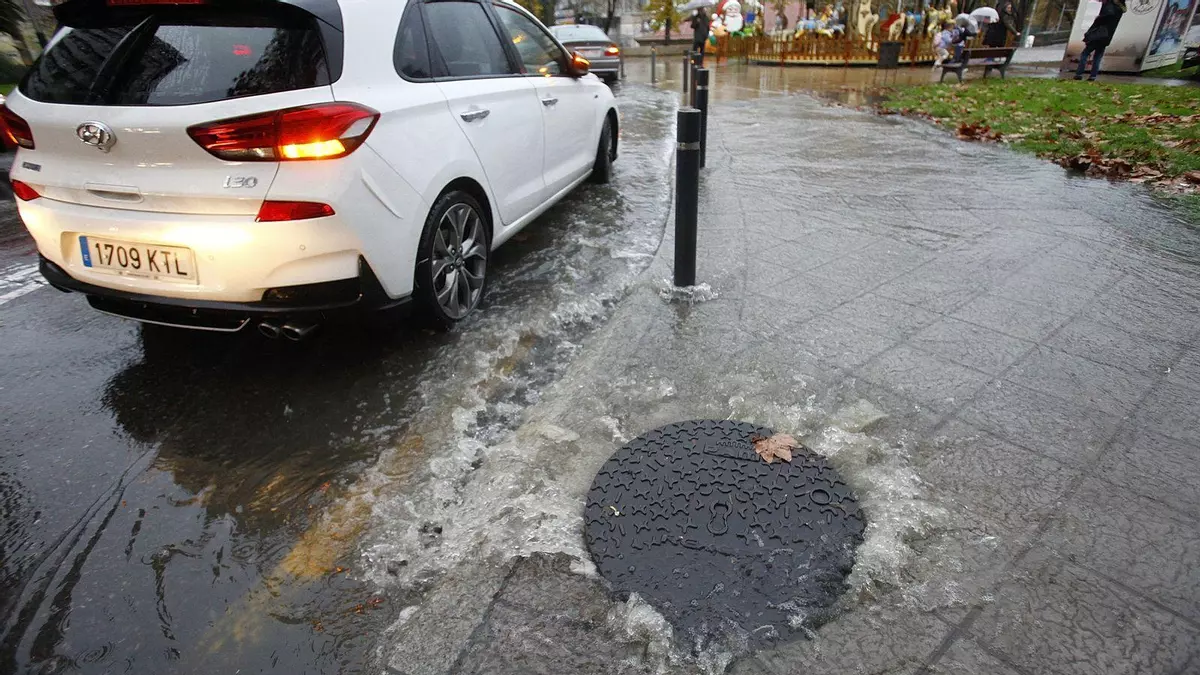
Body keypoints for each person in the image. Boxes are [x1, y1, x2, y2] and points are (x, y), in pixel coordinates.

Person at [1075, 0, 1126, 80]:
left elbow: (1100, 20)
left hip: (1098, 34)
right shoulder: (1120, 9)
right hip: (1107, 36)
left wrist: (1089, 33)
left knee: (1085, 53)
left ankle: (1079, 74)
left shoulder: (1109, 6)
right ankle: (1093, 76)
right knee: (1098, 56)